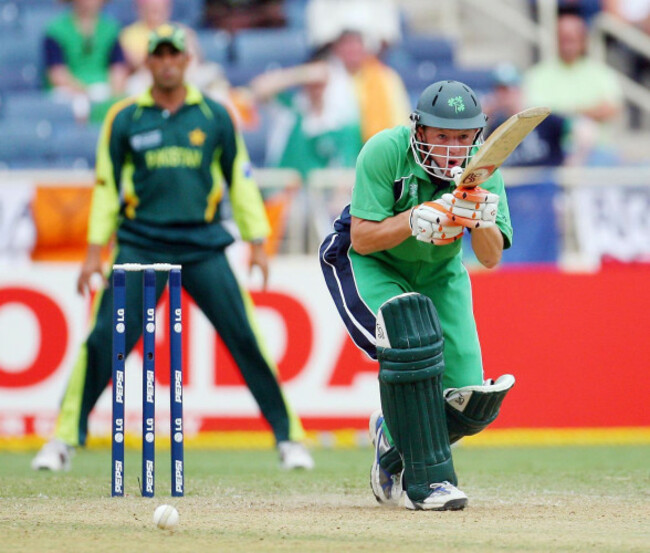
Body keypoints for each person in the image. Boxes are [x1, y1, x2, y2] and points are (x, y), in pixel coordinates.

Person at [32, 24, 314, 473]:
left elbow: (238, 179)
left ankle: (289, 437)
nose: (166, 62)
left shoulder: (215, 115)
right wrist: (92, 252)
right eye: (158, 55)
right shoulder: (125, 118)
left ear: (187, 61)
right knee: (107, 340)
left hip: (202, 244)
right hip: (141, 243)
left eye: (174, 55)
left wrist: (257, 241)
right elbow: (106, 188)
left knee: (245, 337)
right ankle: (64, 437)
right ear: (147, 62)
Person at [319, 80, 515, 510]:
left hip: (440, 273)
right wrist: (414, 218)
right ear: (420, 130)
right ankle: (425, 484)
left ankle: (391, 442)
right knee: (410, 339)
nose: (451, 148)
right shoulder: (384, 150)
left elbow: (491, 257)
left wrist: (479, 217)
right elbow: (364, 238)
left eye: (463, 138)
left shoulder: (484, 169)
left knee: (470, 403)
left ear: (477, 136)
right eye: (441, 135)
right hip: (371, 263)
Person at [522, 12, 623, 152]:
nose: (567, 45)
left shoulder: (601, 73)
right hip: (551, 152)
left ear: (583, 41)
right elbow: (535, 115)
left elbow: (610, 109)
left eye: (572, 39)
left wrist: (565, 114)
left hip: (595, 151)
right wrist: (585, 113)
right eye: (563, 39)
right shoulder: (537, 74)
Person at [43, 0, 128, 120]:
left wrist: (114, 97)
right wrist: (85, 93)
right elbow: (57, 74)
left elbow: (118, 69)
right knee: (77, 104)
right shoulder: (55, 30)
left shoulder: (111, 28)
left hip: (102, 88)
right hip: (71, 93)